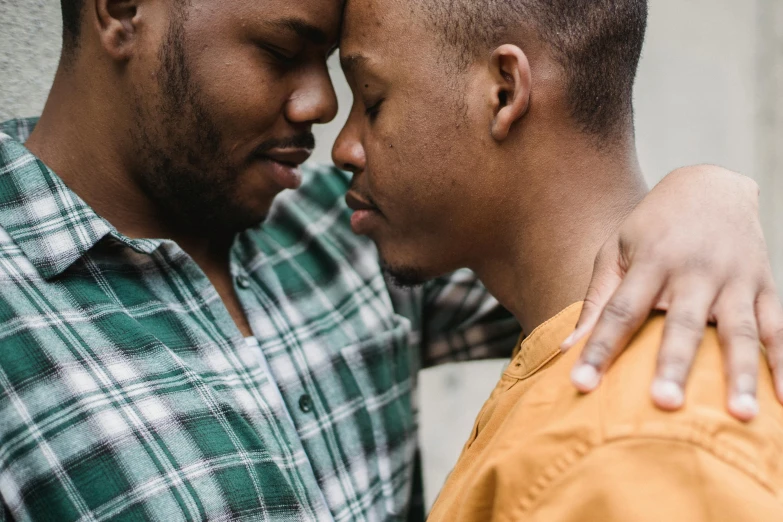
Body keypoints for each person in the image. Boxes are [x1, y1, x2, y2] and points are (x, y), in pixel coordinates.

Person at [0, 0, 780, 520]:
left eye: (362, 92)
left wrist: (708, 196)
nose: (322, 114)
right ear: (123, 9)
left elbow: (572, 264)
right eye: (280, 51)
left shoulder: (337, 227)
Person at [332, 0, 783, 519]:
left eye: (371, 101)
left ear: (503, 92)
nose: (343, 148)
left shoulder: (636, 439)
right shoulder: (586, 393)